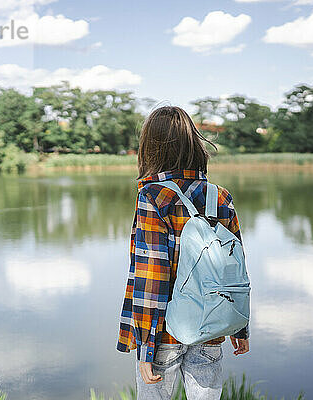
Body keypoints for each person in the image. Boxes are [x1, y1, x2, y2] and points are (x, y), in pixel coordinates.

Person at [116, 106, 249, 399]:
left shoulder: (152, 198)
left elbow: (152, 277)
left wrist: (146, 347)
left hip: (165, 331)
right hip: (213, 324)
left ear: (150, 149)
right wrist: (240, 326)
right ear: (193, 145)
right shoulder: (220, 196)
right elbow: (235, 268)